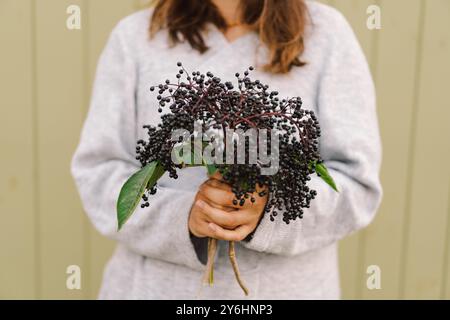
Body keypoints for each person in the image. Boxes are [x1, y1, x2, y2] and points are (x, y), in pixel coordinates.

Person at [71, 0, 382, 299]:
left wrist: (267, 210)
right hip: (154, 289)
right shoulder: (135, 37)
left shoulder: (327, 34)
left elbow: (357, 186)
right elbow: (98, 174)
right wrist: (186, 216)